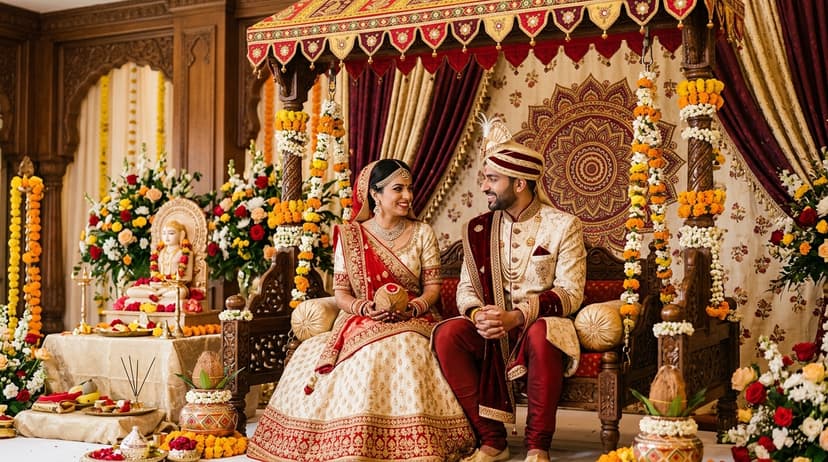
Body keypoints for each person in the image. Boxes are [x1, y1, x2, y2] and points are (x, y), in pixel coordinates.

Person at [248, 159, 475, 462]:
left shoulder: (422, 233)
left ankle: (406, 443)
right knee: (320, 351)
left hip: (414, 319)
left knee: (404, 347)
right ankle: (345, 441)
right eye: (398, 189)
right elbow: (340, 292)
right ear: (375, 195)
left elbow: (432, 289)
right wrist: (365, 307)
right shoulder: (352, 236)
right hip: (361, 317)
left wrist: (411, 308)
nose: (407, 195)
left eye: (409, 188)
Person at [432, 124, 586, 462]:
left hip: (540, 324)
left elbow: (571, 293)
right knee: (447, 334)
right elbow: (466, 290)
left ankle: (537, 446)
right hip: (492, 329)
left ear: (519, 183)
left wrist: (516, 316)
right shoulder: (477, 229)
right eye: (485, 178)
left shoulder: (563, 226)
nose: (484, 186)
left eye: (492, 179)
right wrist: (478, 315)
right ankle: (492, 441)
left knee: (543, 333)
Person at [125, 219, 192, 306]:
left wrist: (172, 282)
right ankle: (157, 295)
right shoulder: (159, 252)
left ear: (181, 234)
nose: (167, 237)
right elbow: (154, 274)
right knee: (130, 291)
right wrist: (156, 283)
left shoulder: (186, 253)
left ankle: (156, 296)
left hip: (174, 287)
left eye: (171, 233)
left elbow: (188, 277)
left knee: (181, 293)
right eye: (164, 233)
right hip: (157, 286)